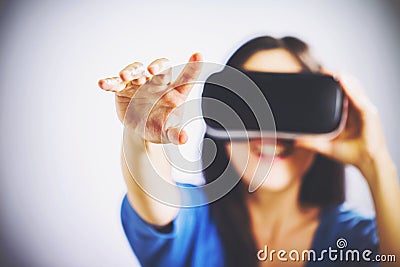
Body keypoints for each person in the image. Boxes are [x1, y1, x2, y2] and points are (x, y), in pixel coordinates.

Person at [98, 36, 400, 267]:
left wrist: (375, 161)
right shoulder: (197, 221)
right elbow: (157, 202)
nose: (269, 134)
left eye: (292, 106)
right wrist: (145, 133)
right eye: (248, 106)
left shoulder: (359, 241)